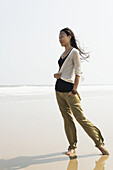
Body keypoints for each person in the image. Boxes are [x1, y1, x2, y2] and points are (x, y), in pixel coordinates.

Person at [53, 27, 109, 156]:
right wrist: (58, 75)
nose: (60, 39)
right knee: (67, 119)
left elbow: (78, 73)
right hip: (58, 90)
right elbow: (67, 72)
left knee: (81, 118)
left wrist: (74, 90)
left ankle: (99, 144)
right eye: (59, 36)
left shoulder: (74, 53)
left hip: (69, 91)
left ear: (69, 37)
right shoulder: (62, 55)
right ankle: (72, 147)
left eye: (62, 36)